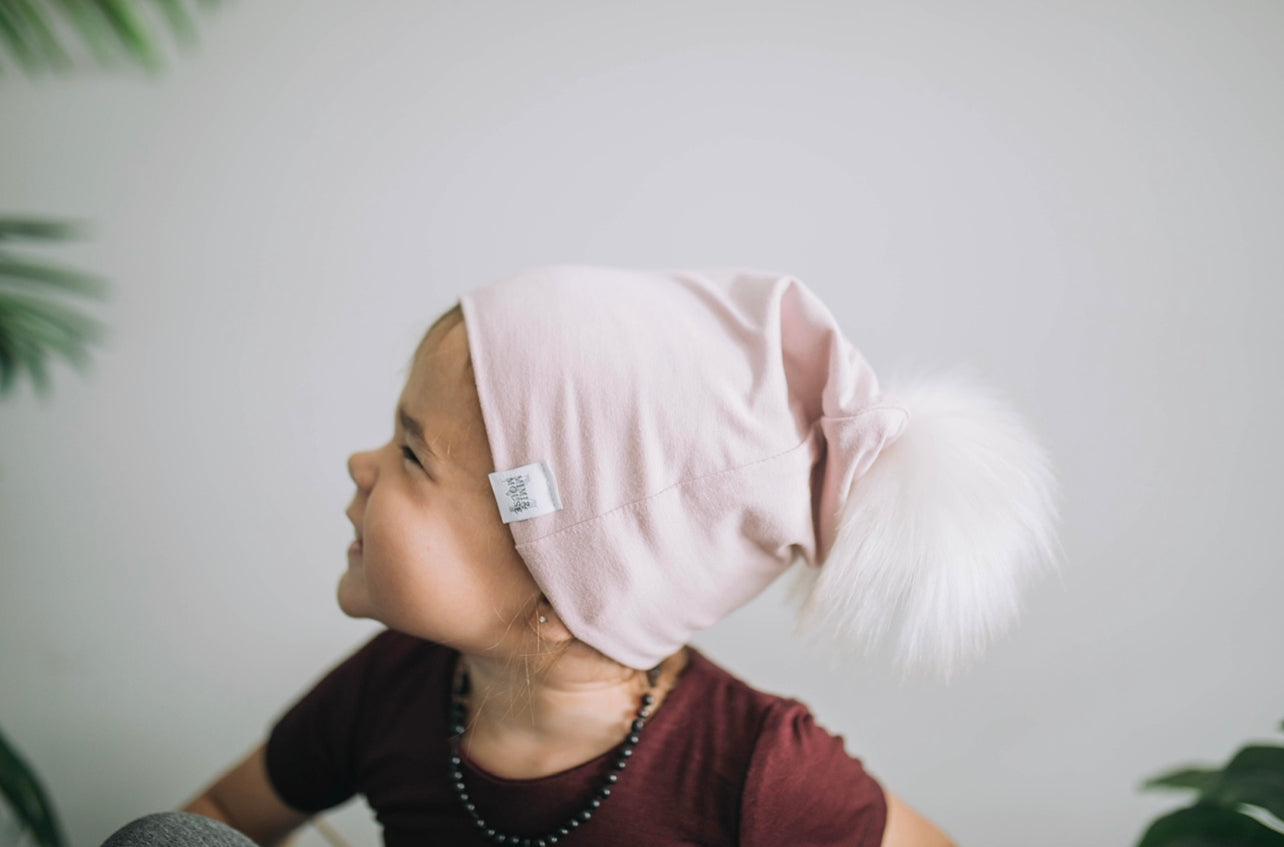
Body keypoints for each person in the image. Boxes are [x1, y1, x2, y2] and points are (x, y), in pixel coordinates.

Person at [104, 265, 1062, 846]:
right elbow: (224, 813)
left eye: (409, 454)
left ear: (566, 588)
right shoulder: (394, 686)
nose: (360, 464)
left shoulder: (755, 769)